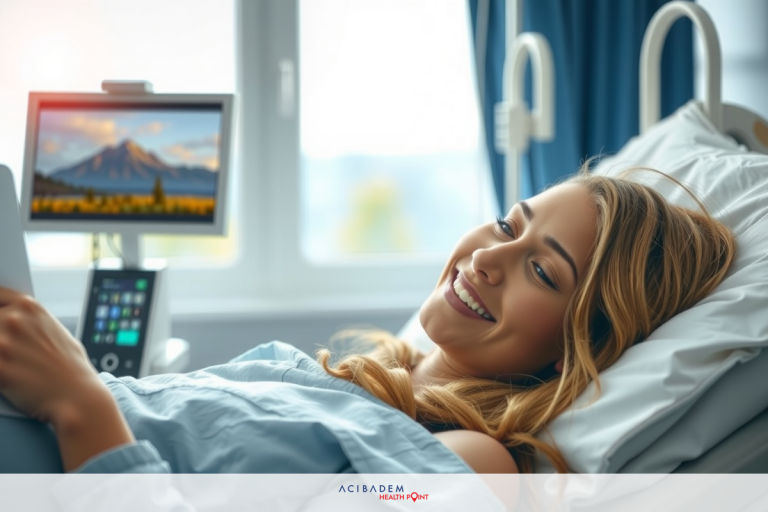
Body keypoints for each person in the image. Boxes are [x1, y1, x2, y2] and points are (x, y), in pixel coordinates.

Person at [0, 164, 735, 474]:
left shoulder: (475, 463)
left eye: (543, 269)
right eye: (507, 224)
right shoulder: (321, 378)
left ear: (588, 344)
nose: (488, 259)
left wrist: (81, 403)